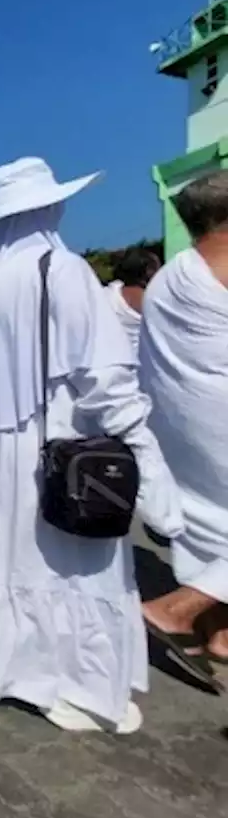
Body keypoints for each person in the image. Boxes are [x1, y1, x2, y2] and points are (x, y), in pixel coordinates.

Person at [0, 157, 180, 734]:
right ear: (45, 207)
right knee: (60, 563)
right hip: (54, 442)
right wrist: (144, 451)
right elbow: (104, 377)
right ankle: (59, 680)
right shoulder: (59, 269)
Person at [136, 173, 228, 687]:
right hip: (218, 421)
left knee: (216, 525)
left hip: (181, 424)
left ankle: (218, 633)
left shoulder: (172, 275)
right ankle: (175, 610)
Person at [105, 248, 161, 361]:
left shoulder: (106, 293)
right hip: (134, 369)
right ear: (149, 272)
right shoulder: (151, 300)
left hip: (104, 364)